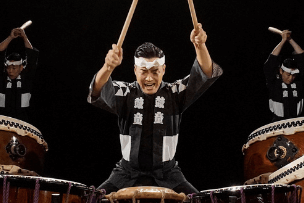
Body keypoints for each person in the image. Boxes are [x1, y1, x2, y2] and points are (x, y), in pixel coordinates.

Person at [88, 24, 222, 194]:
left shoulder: (174, 93)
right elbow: (97, 90)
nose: (149, 78)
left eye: (155, 71)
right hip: (126, 173)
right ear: (135, 70)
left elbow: (205, 73)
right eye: (143, 71)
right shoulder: (126, 93)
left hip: (168, 173)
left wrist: (200, 45)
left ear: (163, 70)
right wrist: (108, 67)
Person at [0, 26, 39, 122]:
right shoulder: (2, 78)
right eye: (8, 67)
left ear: (21, 67)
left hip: (23, 124)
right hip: (2, 123)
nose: (10, 71)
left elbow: (32, 57)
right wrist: (11, 37)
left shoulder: (26, 78)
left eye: (14, 68)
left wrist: (24, 37)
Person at [263, 29, 304, 121]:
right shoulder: (274, 83)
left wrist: (290, 39)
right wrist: (283, 41)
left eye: (293, 75)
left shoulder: (298, 81)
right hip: (278, 123)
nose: (291, 78)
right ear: (281, 71)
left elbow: (302, 57)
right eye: (288, 75)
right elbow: (270, 62)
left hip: (297, 121)